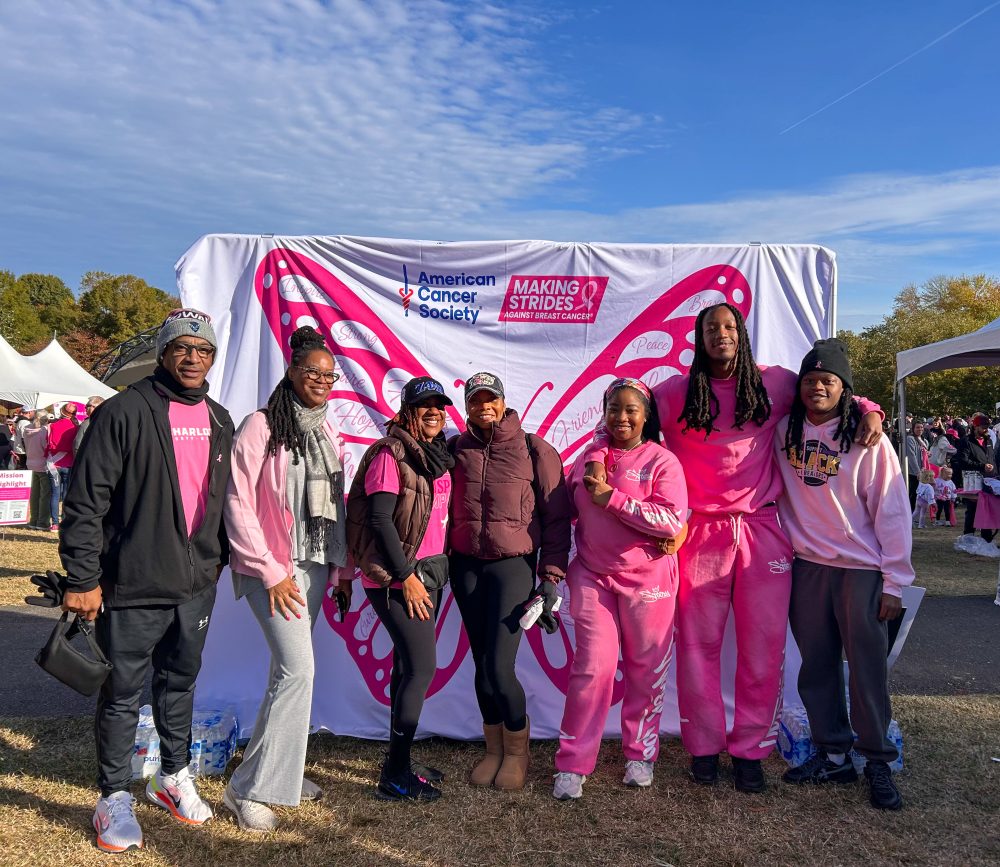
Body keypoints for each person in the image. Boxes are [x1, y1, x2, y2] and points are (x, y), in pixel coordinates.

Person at [584, 303, 883, 793]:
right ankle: (703, 748)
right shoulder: (674, 392)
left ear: (741, 334)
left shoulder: (776, 383)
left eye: (728, 327)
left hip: (763, 529)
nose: (720, 335)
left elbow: (826, 393)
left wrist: (870, 409)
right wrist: (596, 459)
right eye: (710, 328)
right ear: (698, 338)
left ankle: (750, 750)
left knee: (762, 648)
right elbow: (619, 419)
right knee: (699, 649)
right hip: (697, 533)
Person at [59, 308, 233, 853]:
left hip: (196, 583)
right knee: (121, 694)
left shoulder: (221, 419)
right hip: (133, 582)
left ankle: (172, 776)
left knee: (179, 683)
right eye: (181, 347)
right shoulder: (124, 412)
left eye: (202, 350)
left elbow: (221, 502)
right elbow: (85, 503)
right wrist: (83, 577)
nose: (191, 357)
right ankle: (112, 794)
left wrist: (218, 560)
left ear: (211, 359)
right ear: (163, 353)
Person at [223, 326, 351, 831]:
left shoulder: (326, 429)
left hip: (315, 564)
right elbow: (237, 499)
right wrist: (271, 571)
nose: (321, 380)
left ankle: (281, 770)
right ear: (292, 371)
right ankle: (247, 790)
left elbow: (334, 505)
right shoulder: (260, 425)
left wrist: (337, 570)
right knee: (298, 671)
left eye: (328, 374)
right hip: (271, 567)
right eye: (312, 372)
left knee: (286, 672)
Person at [775, 338, 911, 810]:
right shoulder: (782, 431)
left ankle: (876, 760)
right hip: (808, 566)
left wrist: (895, 581)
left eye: (828, 381)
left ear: (844, 389)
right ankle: (833, 754)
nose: (818, 387)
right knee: (817, 666)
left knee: (867, 670)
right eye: (810, 380)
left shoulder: (867, 438)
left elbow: (892, 512)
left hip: (861, 569)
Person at [552, 378, 687, 801]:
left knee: (646, 669)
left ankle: (640, 753)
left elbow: (671, 522)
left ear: (646, 416)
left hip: (648, 580)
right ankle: (573, 763)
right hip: (592, 575)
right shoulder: (588, 458)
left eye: (631, 409)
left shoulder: (663, 461)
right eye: (614, 409)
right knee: (593, 669)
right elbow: (566, 512)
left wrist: (612, 499)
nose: (622, 417)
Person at [448, 371, 571, 791]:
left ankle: (517, 751)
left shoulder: (533, 448)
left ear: (503, 402)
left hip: (513, 567)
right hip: (465, 565)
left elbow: (556, 519)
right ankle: (494, 748)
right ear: (466, 406)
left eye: (491, 398)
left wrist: (551, 576)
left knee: (501, 667)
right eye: (475, 399)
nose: (484, 405)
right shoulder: (456, 447)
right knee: (481, 665)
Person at [345, 376, 455, 802]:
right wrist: (405, 577)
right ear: (407, 410)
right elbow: (379, 521)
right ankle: (394, 775)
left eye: (439, 406)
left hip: (427, 573)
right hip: (397, 578)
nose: (434, 412)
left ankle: (400, 760)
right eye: (424, 405)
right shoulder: (390, 455)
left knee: (406, 669)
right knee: (421, 669)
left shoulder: (433, 455)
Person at [954, 412, 995, 540]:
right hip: (972, 480)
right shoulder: (966, 441)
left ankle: (986, 538)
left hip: (989, 480)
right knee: (972, 509)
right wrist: (982, 466)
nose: (985, 429)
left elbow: (992, 458)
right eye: (983, 427)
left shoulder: (988, 441)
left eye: (987, 427)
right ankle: (968, 536)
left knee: (986, 510)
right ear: (975, 427)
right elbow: (962, 461)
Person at [46, 402, 79, 528]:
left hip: (54, 463)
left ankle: (54, 523)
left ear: (61, 412)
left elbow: (48, 444)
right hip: (69, 463)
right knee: (66, 494)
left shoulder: (52, 426)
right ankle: (64, 521)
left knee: (55, 494)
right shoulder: (75, 428)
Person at [23, 411, 53, 529]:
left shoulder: (27, 429)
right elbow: (46, 447)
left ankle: (33, 520)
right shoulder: (44, 431)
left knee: (34, 494)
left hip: (30, 463)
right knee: (45, 495)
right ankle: (42, 522)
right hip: (43, 464)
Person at [904, 421, 929, 512]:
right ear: (913, 429)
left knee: (921, 494)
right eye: (917, 427)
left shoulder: (924, 440)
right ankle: (910, 512)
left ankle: (917, 514)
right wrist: (917, 471)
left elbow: (924, 455)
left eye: (921, 427)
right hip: (913, 472)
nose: (920, 429)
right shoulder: (910, 439)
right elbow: (911, 456)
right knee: (913, 493)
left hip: (923, 471)